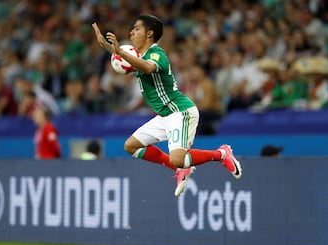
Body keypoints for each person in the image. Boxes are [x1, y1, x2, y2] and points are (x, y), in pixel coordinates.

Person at [92, 15, 242, 197]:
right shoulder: (140, 56)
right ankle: (179, 169)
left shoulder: (156, 54)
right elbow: (133, 62)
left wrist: (120, 52)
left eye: (136, 29)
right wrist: (108, 47)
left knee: (179, 158)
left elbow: (148, 67)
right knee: (131, 146)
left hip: (180, 111)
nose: (131, 32)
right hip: (164, 116)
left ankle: (222, 154)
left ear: (149, 34)